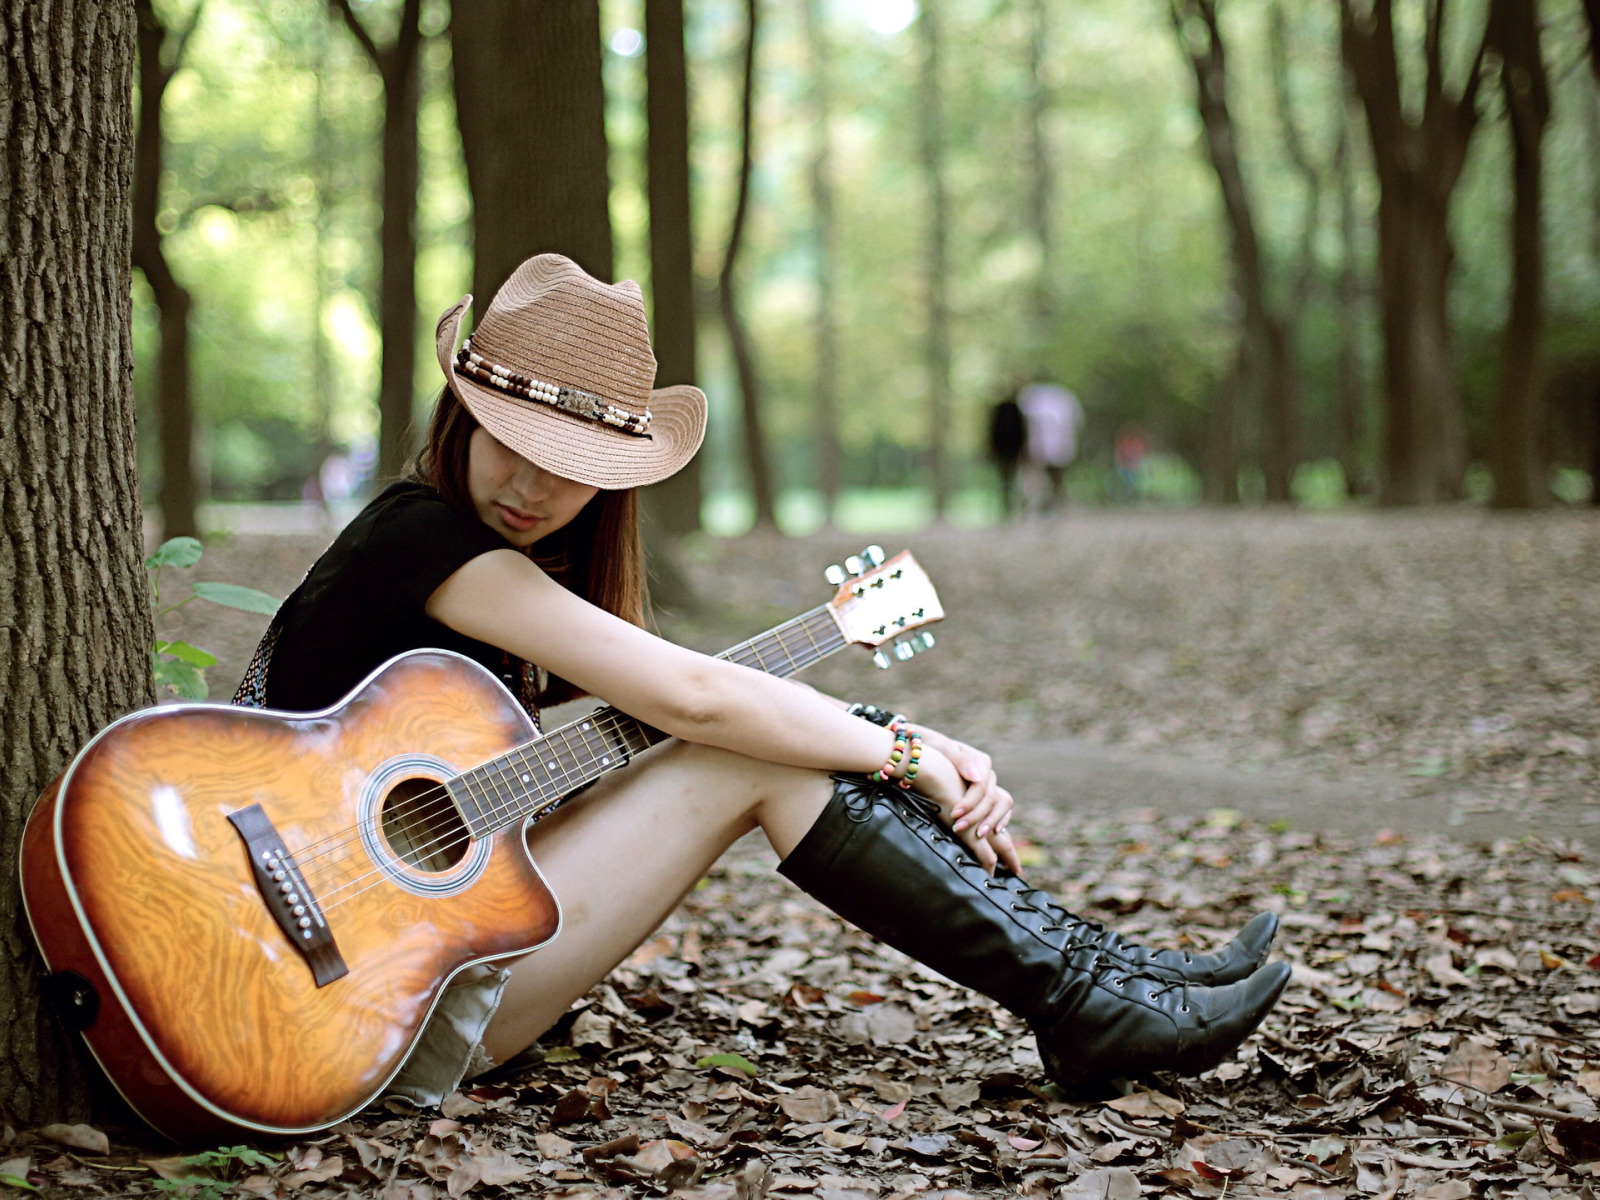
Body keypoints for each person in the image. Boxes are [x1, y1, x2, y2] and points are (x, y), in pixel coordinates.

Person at [237, 255, 1289, 1104]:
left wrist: (877, 730)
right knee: (749, 754)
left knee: (782, 741)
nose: (533, 482)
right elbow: (692, 700)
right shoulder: (426, 540)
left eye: (571, 462)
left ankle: (1110, 982)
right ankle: (1088, 1000)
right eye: (511, 442)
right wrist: (909, 750)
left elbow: (642, 718)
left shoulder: (468, 566)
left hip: (396, 952)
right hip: (358, 1003)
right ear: (462, 415)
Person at [1018, 378, 1084, 511]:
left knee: (1051, 478)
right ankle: (1044, 504)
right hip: (1044, 449)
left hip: (1053, 449)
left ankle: (1053, 504)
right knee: (1040, 479)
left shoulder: (1035, 398)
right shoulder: (1036, 398)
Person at [987, 389, 1026, 518]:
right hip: (1006, 451)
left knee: (1008, 480)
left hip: (1008, 451)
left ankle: (1009, 506)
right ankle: (1007, 506)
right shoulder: (1007, 410)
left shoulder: (1013, 410)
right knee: (1008, 480)